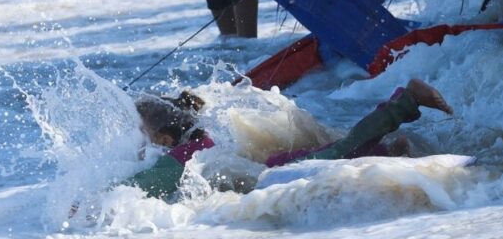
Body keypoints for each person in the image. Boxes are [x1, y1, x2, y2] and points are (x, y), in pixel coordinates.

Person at [129, 79, 454, 200]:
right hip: (269, 167)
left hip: (273, 174)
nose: (139, 142)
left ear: (162, 136)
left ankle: (406, 101)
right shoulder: (202, 141)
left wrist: (94, 201)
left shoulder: (186, 154)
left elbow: (144, 186)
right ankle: (387, 150)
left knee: (338, 154)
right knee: (340, 156)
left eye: (142, 134)